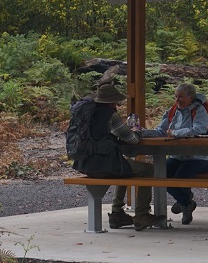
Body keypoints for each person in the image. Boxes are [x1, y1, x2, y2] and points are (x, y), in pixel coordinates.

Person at [71, 82, 166, 231]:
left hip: (85, 165)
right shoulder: (110, 115)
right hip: (104, 165)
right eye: (116, 102)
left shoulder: (87, 114)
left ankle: (117, 213)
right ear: (111, 102)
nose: (117, 105)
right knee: (147, 169)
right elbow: (133, 139)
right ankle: (142, 214)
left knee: (125, 166)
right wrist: (137, 131)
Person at [152, 82, 208, 225]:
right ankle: (186, 202)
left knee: (177, 179)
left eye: (180, 97)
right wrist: (141, 132)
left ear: (191, 97)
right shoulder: (173, 111)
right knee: (159, 174)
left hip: (198, 158)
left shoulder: (199, 110)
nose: (177, 100)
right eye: (175, 96)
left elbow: (199, 129)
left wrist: (175, 133)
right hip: (177, 156)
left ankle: (184, 202)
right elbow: (161, 131)